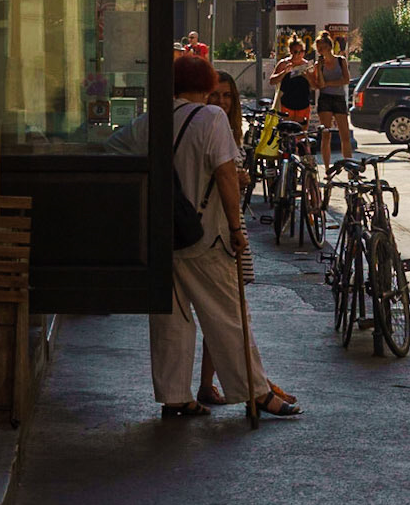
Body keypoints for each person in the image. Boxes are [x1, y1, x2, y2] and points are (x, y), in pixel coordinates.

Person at [109, 55, 298, 419]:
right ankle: (255, 392)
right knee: (228, 315)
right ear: (207, 84)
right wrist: (237, 228)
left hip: (162, 237)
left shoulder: (149, 123)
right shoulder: (211, 118)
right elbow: (227, 176)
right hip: (205, 236)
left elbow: (113, 149)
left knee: (170, 318)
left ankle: (174, 396)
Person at [196, 70, 296, 411]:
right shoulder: (208, 127)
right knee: (229, 314)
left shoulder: (231, 131)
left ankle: (212, 383)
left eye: (227, 96)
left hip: (232, 226)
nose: (221, 102)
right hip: (221, 231)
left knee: (224, 313)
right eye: (215, 96)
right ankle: (255, 386)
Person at [313, 30, 354, 168]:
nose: (320, 51)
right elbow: (320, 84)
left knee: (345, 134)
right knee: (326, 134)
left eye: (322, 48)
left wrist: (330, 83)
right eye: (318, 48)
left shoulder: (340, 61)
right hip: (325, 99)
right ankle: (326, 168)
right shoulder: (320, 64)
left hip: (338, 98)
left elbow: (346, 79)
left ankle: (349, 167)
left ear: (329, 47)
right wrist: (318, 69)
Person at [271, 35, 314, 125]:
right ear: (290, 51)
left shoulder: (307, 65)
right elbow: (272, 81)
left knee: (301, 133)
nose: (299, 54)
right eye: (296, 52)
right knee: (286, 132)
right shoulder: (284, 63)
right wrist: (284, 72)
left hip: (303, 103)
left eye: (302, 51)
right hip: (286, 104)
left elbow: (314, 86)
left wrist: (308, 77)